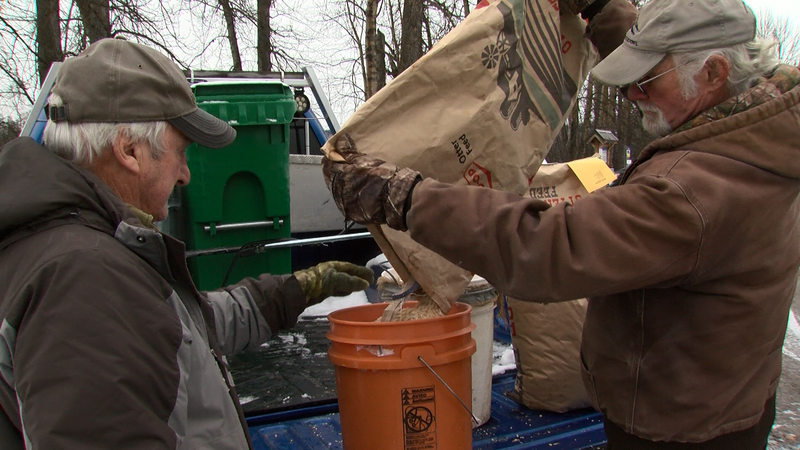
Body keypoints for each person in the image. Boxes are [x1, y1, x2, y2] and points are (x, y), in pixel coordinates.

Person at [323, 0, 800, 447]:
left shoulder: (698, 191)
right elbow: (667, 62)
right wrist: (601, 9)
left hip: (680, 432)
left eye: (648, 80)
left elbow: (551, 246)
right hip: (725, 402)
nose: (633, 93)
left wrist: (405, 197)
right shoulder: (755, 121)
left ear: (714, 72)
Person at [0, 38, 373, 450]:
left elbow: (185, 330)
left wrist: (297, 289)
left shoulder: (88, 248)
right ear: (129, 150)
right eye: (179, 153)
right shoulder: (83, 279)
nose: (185, 174)